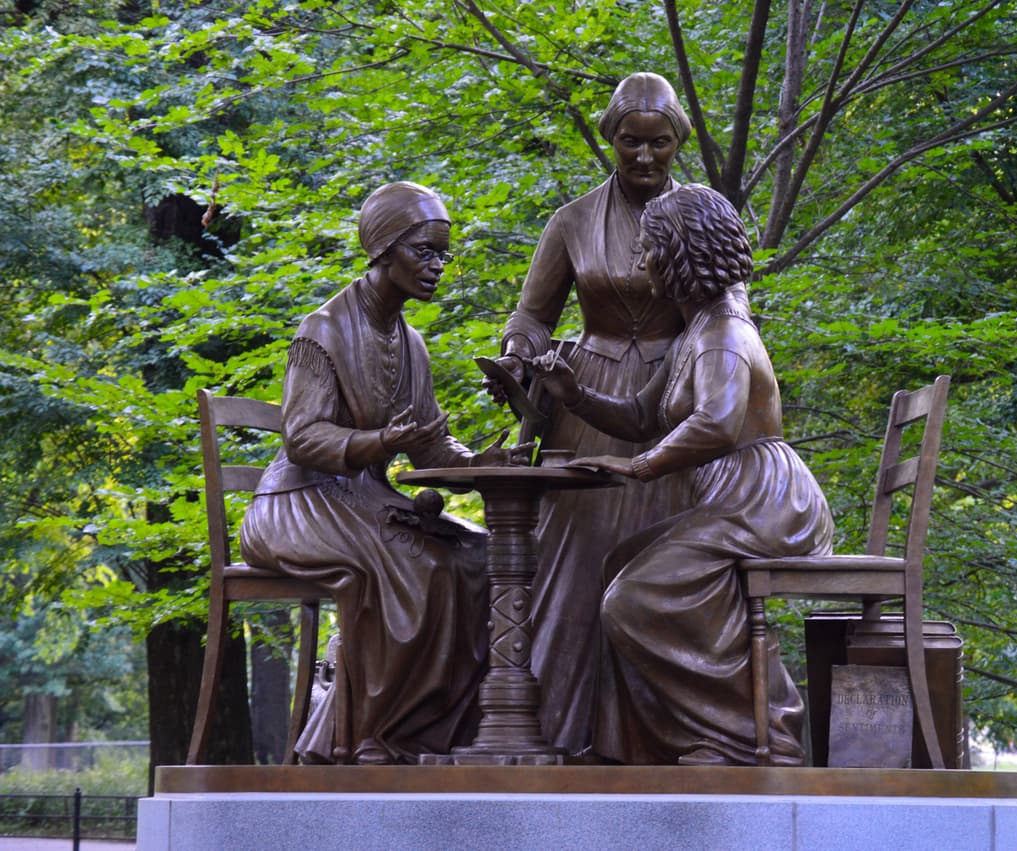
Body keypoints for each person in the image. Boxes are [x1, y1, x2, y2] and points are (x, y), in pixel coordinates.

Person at [484, 72, 748, 755]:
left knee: (663, 556)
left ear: (677, 142)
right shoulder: (571, 220)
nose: (644, 156)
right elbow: (532, 314)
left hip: (678, 395)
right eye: (631, 141)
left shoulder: (703, 214)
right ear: (611, 139)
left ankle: (663, 735)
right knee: (575, 561)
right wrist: (517, 354)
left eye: (659, 143)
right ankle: (563, 729)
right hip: (591, 395)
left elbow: (730, 307)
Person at [530, 184, 834, 766]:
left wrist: (640, 467)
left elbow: (717, 425)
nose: (639, 263)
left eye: (649, 250)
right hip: (732, 500)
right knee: (617, 567)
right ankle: (628, 748)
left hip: (762, 503)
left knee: (633, 600)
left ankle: (749, 737)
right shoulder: (694, 331)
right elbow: (644, 415)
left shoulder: (722, 334)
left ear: (679, 254)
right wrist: (576, 394)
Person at [240, 181, 531, 765]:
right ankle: (368, 735)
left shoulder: (412, 341)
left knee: (479, 558)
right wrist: (378, 441)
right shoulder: (322, 330)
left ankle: (429, 732)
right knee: (415, 564)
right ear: (383, 249)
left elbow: (428, 443)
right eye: (424, 251)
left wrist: (478, 462)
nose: (437, 265)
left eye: (442, 253)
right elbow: (302, 438)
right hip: (297, 503)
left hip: (366, 499)